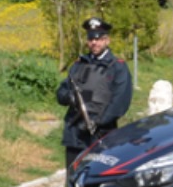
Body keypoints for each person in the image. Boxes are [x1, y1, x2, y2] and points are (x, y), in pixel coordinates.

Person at [56, 17, 133, 172]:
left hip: (101, 134)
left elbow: (120, 102)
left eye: (99, 39)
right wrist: (69, 97)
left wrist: (99, 122)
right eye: (91, 39)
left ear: (107, 40)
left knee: (97, 177)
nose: (94, 43)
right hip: (75, 133)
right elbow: (62, 91)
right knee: (73, 175)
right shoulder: (79, 64)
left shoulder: (117, 67)